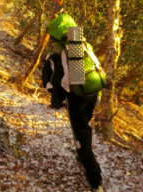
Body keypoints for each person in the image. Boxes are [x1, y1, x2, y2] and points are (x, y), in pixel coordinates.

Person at [42, 12, 104, 192]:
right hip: (93, 92)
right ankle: (83, 155)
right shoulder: (82, 43)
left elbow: (56, 82)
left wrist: (58, 101)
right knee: (84, 129)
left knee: (80, 137)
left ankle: (95, 181)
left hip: (77, 98)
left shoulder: (61, 52)